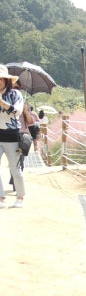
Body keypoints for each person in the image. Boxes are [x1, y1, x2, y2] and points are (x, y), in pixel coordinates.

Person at [0, 65, 25, 208]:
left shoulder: (15, 94)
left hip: (12, 136)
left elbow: (17, 111)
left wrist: (2, 102)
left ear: (6, 80)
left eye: (0, 79)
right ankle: (1, 198)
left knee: (15, 169)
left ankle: (20, 196)